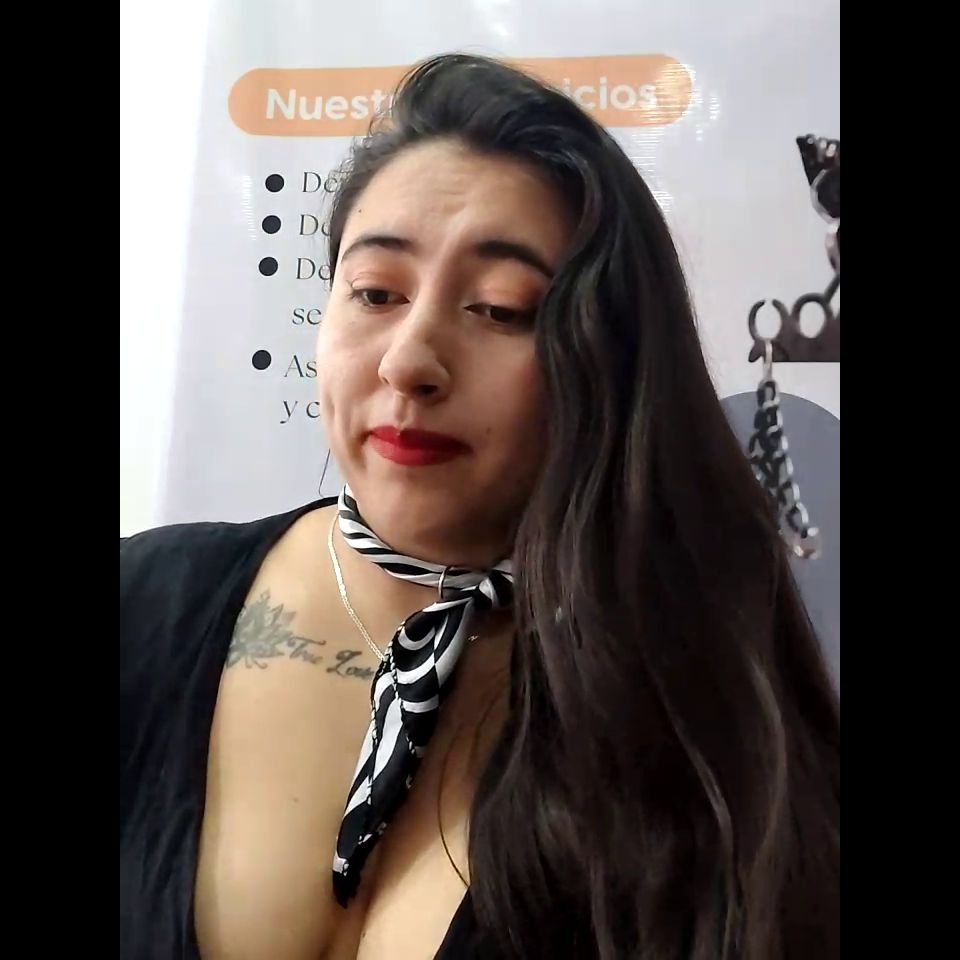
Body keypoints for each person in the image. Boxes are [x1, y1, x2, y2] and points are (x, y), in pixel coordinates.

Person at [120, 53, 840, 960]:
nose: (409, 361)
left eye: (500, 309)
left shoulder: (701, 699)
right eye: (375, 292)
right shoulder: (146, 600)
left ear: (610, 358)